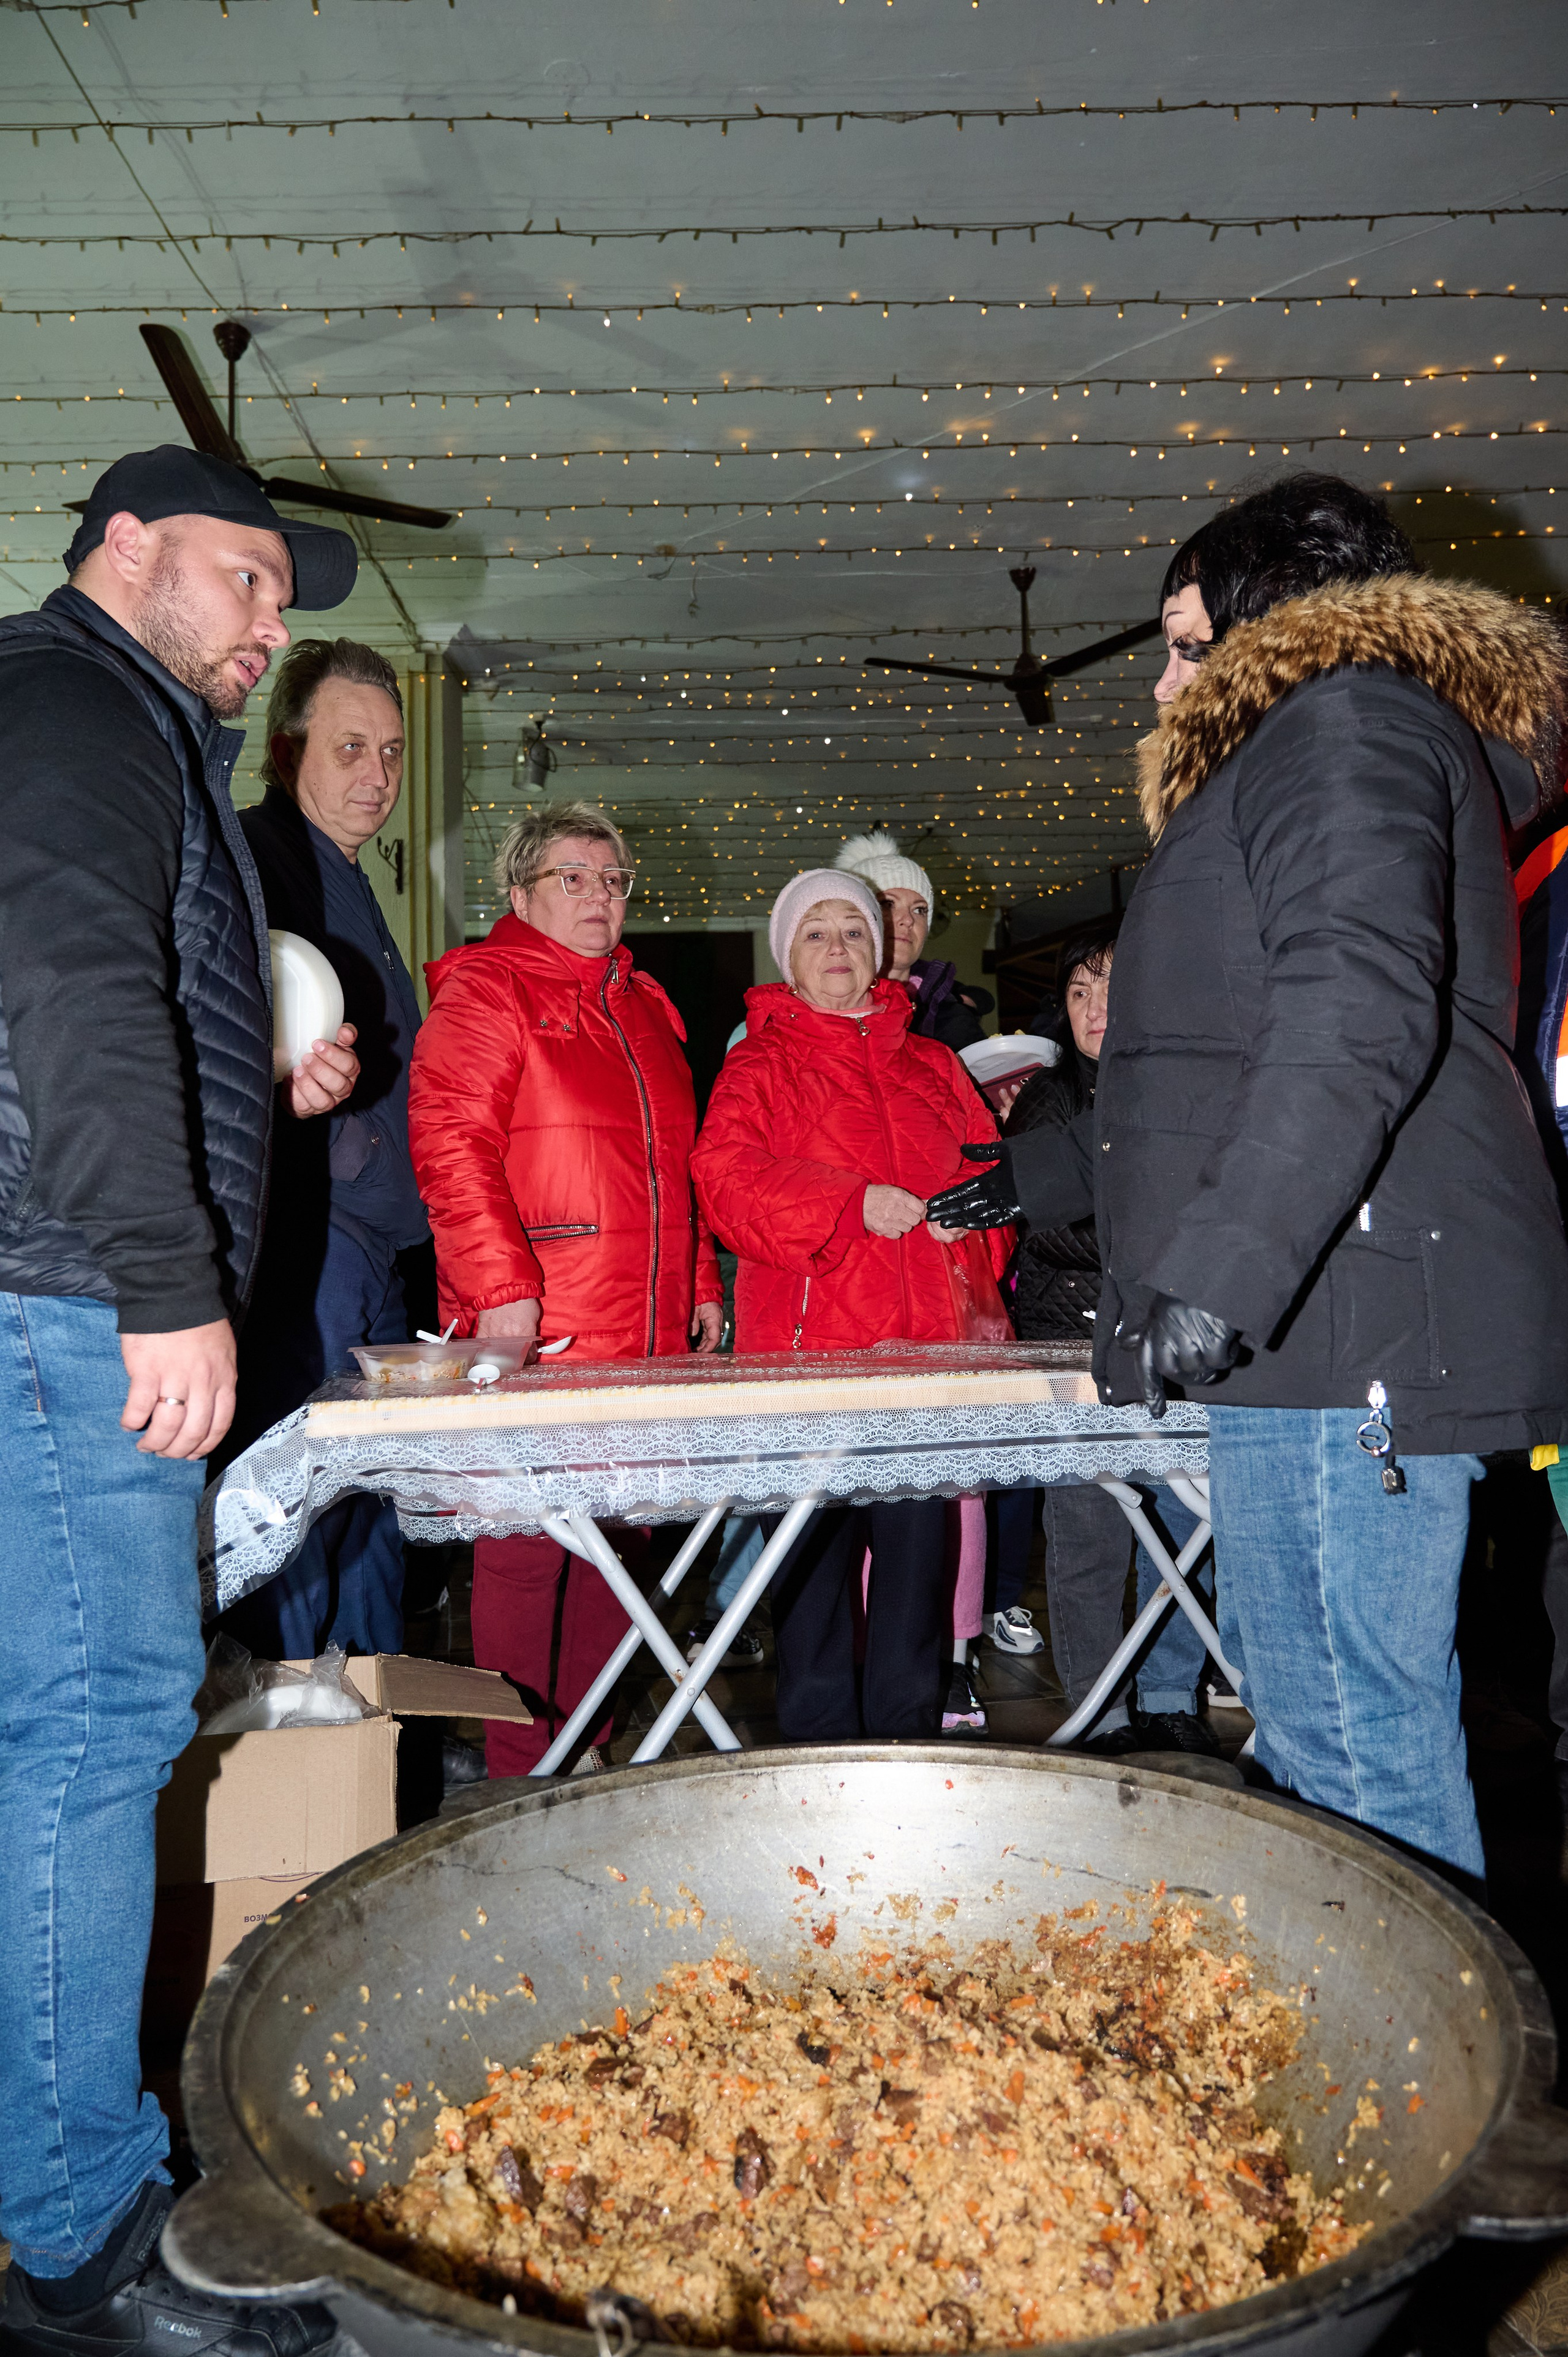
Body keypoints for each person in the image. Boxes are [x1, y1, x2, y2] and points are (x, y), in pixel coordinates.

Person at [931, 471, 1568, 1881]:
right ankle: (1361, 2053)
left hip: (1347, 1320)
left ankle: (1416, 2084)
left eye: (1181, 638)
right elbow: (1206, 1071)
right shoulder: (1312, 739)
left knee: (1356, 1740)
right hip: (1314, 1320)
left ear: (1269, 613)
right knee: (1315, 1729)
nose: (1158, 683)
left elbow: (1354, 1010)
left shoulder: (1339, 717)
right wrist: (1049, 1178)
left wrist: (1218, 1277)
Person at [0, 446, 360, 2353]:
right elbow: (68, 982)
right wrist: (164, 1274)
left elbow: (113, 977)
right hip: (66, 1301)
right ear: (123, 547)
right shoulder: (74, 700)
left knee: (45, 1746)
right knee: (91, 1738)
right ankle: (80, 2229)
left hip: (54, 1283)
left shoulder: (100, 719)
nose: (267, 621)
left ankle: (46, 2172)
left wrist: (258, 1072)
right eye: (245, 575)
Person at [409, 801, 723, 1775]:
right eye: (573, 877)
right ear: (519, 895)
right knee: (525, 1547)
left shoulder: (645, 1006)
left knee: (615, 1545)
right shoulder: (488, 990)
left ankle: (579, 1746)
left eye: (614, 878)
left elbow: (682, 1167)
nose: (599, 894)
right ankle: (517, 1763)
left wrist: (702, 1282)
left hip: (645, 1326)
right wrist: (500, 1286)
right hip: (540, 1322)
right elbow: (450, 1145)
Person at [693, 870, 1011, 1743]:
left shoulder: (937, 1064)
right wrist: (847, 1205)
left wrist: (970, 1230)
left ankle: (906, 1753)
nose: (838, 949)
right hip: (806, 1365)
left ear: (880, 952)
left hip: (921, 1364)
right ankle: (816, 1760)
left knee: (916, 1582)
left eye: (854, 933)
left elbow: (992, 1181)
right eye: (817, 935)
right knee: (811, 1586)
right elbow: (725, 1185)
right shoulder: (758, 1062)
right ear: (787, 957)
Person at [223, 638, 431, 1659]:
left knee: (366, 1516)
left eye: (391, 752)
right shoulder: (255, 861)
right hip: (314, 1242)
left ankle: (368, 1769)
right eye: (351, 747)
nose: (377, 775)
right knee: (297, 1515)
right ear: (286, 744)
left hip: (375, 1249)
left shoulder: (345, 874)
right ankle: (290, 1769)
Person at [998, 922, 1219, 1755]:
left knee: (1183, 1529)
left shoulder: (1187, 1088)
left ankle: (1170, 1691)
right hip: (1070, 1349)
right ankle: (1100, 1707)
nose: (1094, 1010)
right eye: (1078, 993)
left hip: (1172, 1347)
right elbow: (1041, 1226)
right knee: (1089, 1533)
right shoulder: (1049, 1098)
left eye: (1111, 989)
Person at [834, 830, 993, 1049]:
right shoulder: (811, 1006)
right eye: (888, 904)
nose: (908, 920)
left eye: (920, 910)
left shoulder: (949, 1013)